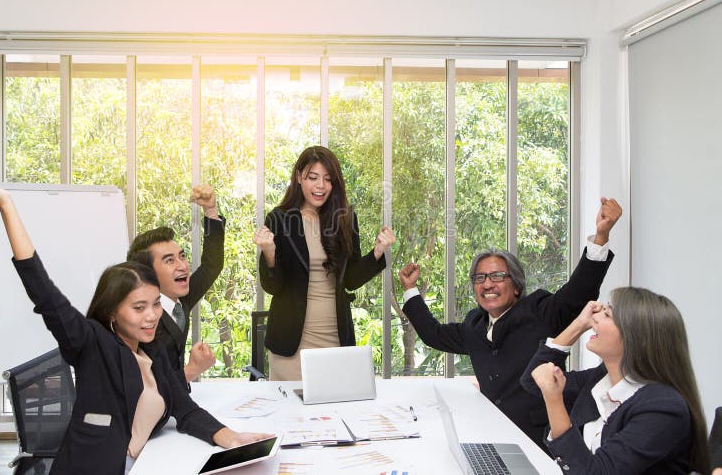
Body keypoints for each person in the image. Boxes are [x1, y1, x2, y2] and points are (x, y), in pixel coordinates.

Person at [0, 183, 270, 474]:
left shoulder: (152, 351)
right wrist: (5, 204)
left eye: (154, 304)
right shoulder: (93, 344)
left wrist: (232, 439)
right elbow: (43, 290)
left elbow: (185, 408)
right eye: (139, 308)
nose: (152, 316)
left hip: (146, 461)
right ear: (112, 312)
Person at [397, 197, 622, 447]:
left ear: (516, 286)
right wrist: (410, 290)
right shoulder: (474, 325)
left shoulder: (540, 311)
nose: (487, 284)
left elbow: (579, 293)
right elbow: (434, 335)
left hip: (543, 440)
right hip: (492, 434)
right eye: (480, 278)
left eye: (497, 276)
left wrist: (601, 236)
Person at [522, 290, 710, 474]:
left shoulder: (663, 408)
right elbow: (534, 379)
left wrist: (553, 399)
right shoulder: (601, 378)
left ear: (636, 337)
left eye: (607, 314)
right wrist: (578, 325)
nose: (594, 318)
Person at [253, 146, 395, 380]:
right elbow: (273, 287)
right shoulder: (279, 218)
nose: (321, 186)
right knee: (292, 414)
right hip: (292, 343)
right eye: (313, 177)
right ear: (299, 177)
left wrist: (378, 251)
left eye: (328, 180)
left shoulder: (345, 218)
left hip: (335, 337)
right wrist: (269, 252)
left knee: (334, 410)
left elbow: (351, 280)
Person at [127, 184, 222, 386]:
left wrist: (211, 211)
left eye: (182, 256)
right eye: (169, 261)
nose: (183, 266)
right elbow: (147, 386)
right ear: (147, 273)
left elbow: (211, 266)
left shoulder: (178, 299)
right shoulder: (139, 320)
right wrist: (193, 370)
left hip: (173, 406)